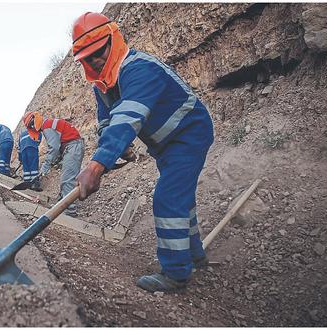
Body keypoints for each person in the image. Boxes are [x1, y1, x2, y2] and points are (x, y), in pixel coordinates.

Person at [71, 12, 214, 293]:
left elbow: (127, 119)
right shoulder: (103, 84)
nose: (95, 60)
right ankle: (195, 255)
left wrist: (97, 165)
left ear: (114, 41)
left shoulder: (139, 68)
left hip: (189, 134)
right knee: (180, 197)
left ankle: (175, 274)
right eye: (87, 58)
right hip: (166, 144)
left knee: (168, 197)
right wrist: (113, 144)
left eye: (99, 52)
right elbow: (107, 121)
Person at [23, 111, 84, 217]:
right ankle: (62, 204)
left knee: (67, 180)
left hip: (73, 147)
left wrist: (46, 166)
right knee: (65, 178)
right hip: (71, 147)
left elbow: (54, 148)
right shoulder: (48, 124)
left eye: (31, 127)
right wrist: (56, 160)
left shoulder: (47, 126)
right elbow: (59, 143)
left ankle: (70, 212)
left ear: (33, 123)